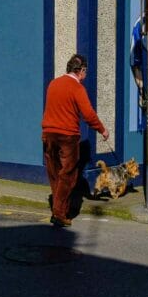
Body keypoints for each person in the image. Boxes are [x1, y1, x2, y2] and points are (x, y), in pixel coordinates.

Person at [41, 54, 109, 227]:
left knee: (55, 173)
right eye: (86, 71)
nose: (86, 75)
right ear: (82, 70)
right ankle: (59, 213)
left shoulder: (53, 84)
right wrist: (102, 129)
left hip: (48, 133)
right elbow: (88, 114)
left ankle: (58, 208)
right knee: (68, 175)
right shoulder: (77, 88)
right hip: (67, 136)